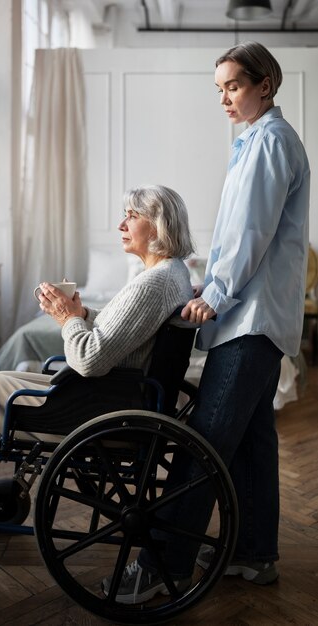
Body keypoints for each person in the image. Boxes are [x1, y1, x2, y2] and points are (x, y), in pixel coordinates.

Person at [106, 41, 310, 603]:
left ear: (265, 83)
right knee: (249, 442)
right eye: (218, 88)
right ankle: (254, 553)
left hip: (250, 320)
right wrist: (207, 284)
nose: (223, 97)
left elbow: (250, 234)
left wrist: (214, 294)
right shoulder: (255, 142)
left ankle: (159, 564)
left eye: (234, 86)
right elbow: (240, 236)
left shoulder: (269, 143)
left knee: (204, 441)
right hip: (255, 317)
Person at [0, 184, 195, 548]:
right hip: (117, 394)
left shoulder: (153, 282)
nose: (121, 224)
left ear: (158, 227)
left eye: (132, 217)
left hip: (102, 403)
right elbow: (127, 329)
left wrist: (66, 318)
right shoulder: (173, 274)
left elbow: (89, 358)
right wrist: (84, 313)